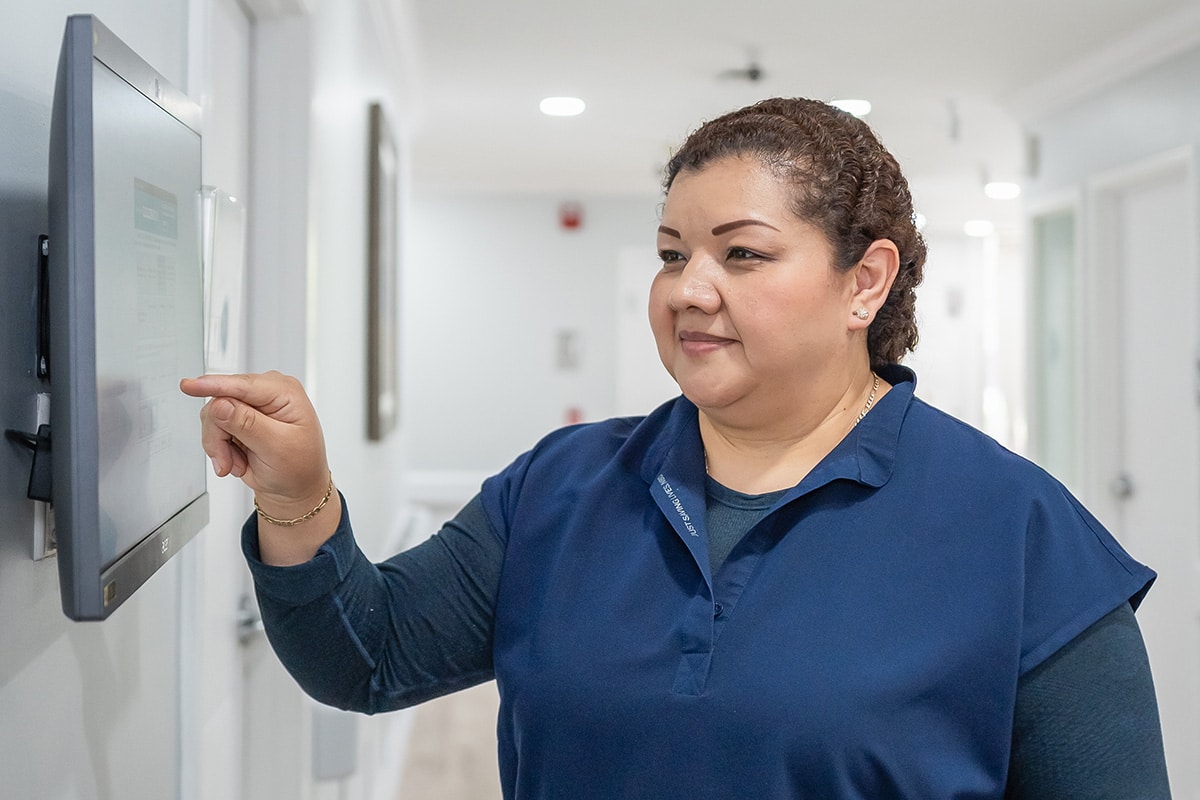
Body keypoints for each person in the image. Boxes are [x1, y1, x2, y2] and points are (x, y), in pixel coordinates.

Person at [181, 98, 1171, 799]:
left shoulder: (1017, 529)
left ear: (865, 282)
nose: (687, 288)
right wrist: (297, 494)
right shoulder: (563, 488)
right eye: (670, 252)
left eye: (741, 253)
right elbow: (372, 656)